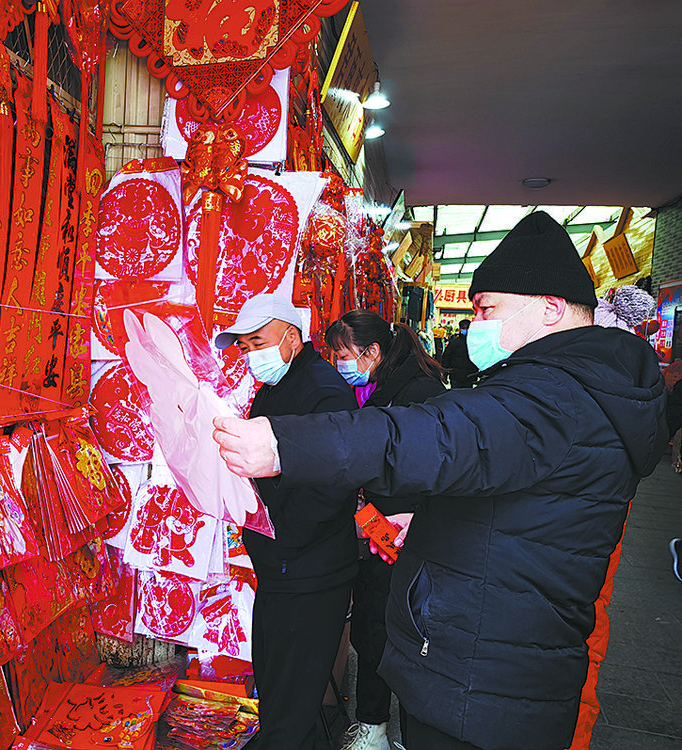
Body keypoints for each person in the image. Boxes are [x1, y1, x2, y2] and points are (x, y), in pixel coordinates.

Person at [212, 212, 669, 750]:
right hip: (489, 666)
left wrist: (285, 445)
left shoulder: (557, 395)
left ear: (549, 309)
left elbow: (440, 435)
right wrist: (430, 520)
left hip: (488, 684)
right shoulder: (566, 386)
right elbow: (516, 503)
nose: (477, 323)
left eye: (487, 308)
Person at [213, 293, 359, 750]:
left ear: (292, 337)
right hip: (281, 565)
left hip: (308, 569)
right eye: (244, 346)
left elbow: (334, 484)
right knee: (278, 682)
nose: (250, 353)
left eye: (257, 341)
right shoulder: (278, 386)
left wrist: (282, 540)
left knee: (293, 690)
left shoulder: (324, 390)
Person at [325, 311, 446, 750]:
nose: (338, 363)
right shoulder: (378, 390)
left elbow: (432, 468)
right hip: (379, 526)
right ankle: (373, 726)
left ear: (372, 352)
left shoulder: (418, 394)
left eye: (342, 355)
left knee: (400, 634)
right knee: (373, 628)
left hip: (407, 531)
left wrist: (407, 515)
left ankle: (399, 733)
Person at [440, 319, 477, 388]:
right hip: (457, 375)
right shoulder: (454, 342)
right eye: (463, 328)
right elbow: (446, 358)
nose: (465, 330)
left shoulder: (474, 343)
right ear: (460, 328)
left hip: (468, 375)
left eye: (467, 328)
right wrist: (444, 372)